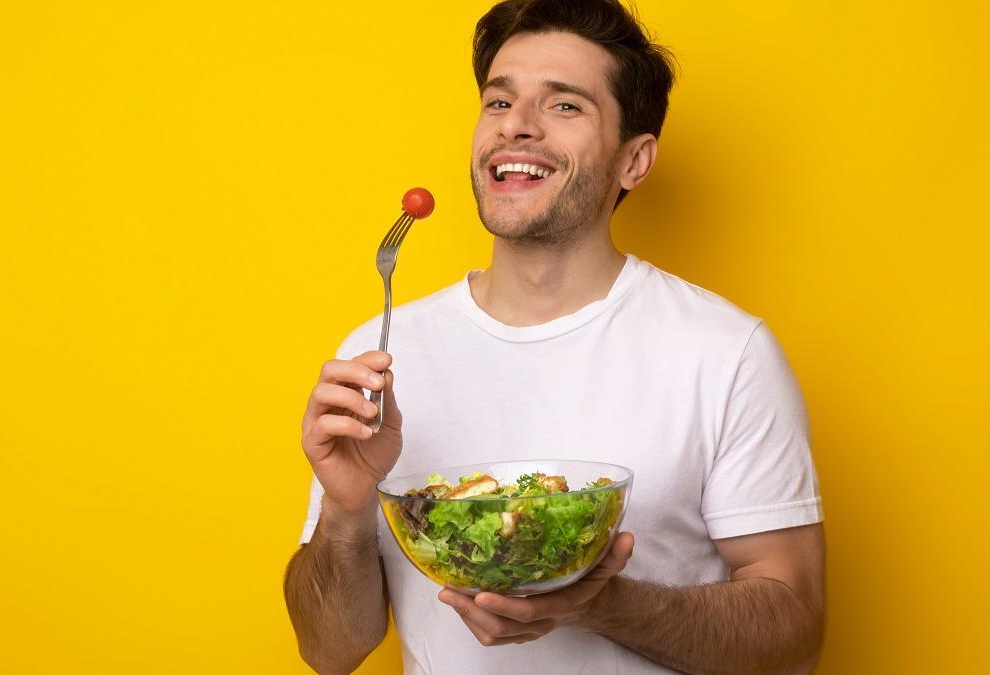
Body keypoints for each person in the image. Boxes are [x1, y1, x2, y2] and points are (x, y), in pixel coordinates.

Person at [284, 1, 825, 672]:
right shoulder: (380, 355)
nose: (516, 125)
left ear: (635, 160)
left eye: (564, 106)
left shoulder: (725, 353)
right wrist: (346, 505)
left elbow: (795, 630)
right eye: (499, 101)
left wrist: (598, 604)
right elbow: (329, 649)